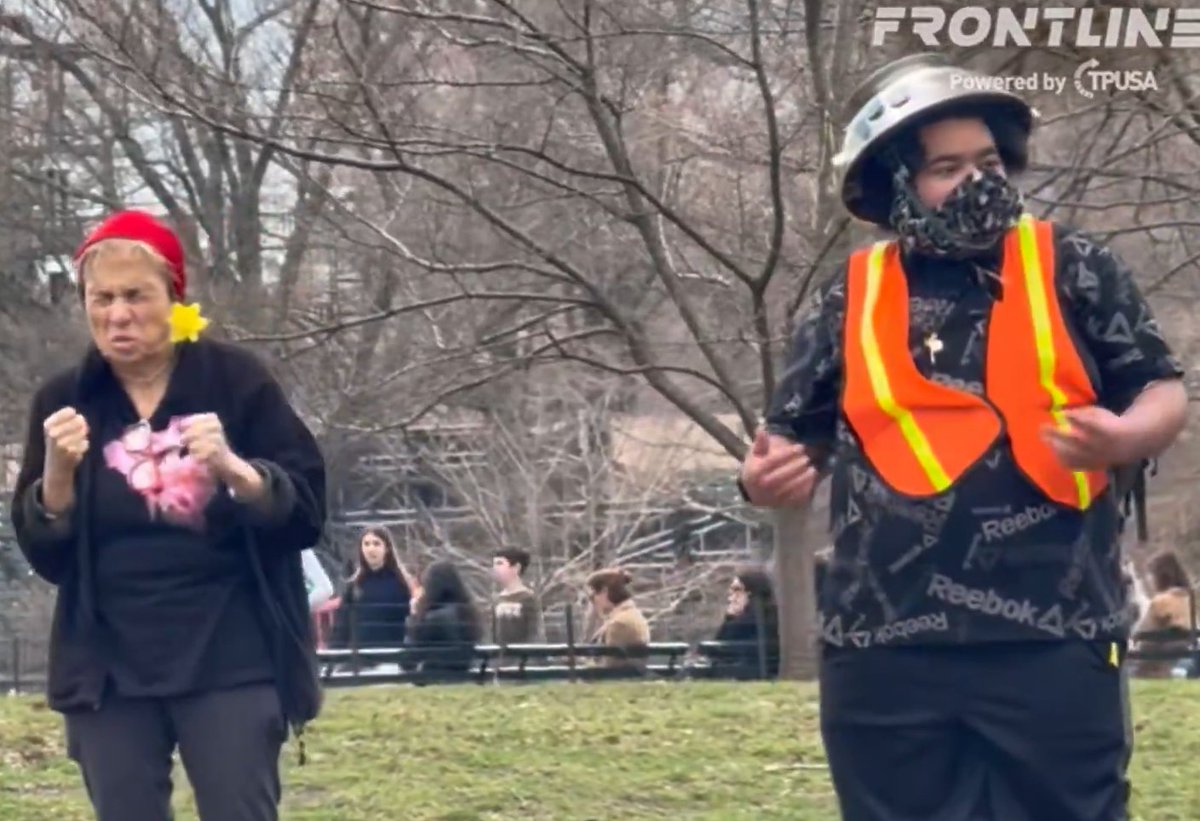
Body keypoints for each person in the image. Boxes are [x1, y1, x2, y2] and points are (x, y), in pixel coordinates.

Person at [739, 53, 1187, 821]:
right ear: (895, 185)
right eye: (947, 168)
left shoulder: (1074, 265)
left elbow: (1161, 387)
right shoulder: (850, 294)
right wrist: (765, 478)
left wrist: (1124, 435)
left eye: (988, 162)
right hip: (882, 643)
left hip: (1054, 632)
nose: (977, 182)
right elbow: (791, 438)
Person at [10, 210, 327, 821]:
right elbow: (47, 558)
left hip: (233, 651)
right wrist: (57, 476)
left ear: (174, 298)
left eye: (136, 296)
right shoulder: (65, 401)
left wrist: (237, 471)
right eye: (102, 298)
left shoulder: (237, 382)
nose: (118, 314)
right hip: (108, 663)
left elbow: (306, 516)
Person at [330, 527, 419, 652]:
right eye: (366, 544)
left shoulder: (401, 583)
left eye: (376, 544)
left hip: (392, 653)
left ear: (387, 549)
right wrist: (333, 654)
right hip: (361, 655)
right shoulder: (354, 584)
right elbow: (342, 625)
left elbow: (410, 621)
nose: (371, 549)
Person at [405, 560, 482, 681]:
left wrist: (414, 615)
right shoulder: (468, 613)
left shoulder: (434, 619)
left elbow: (408, 658)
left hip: (435, 676)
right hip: (464, 675)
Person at [1131, 549, 1194, 678]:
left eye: (1150, 575)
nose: (1149, 580)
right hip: (1180, 652)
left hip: (1153, 659)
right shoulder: (1187, 598)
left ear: (1160, 576)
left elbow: (1142, 631)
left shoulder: (1161, 601)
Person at [709, 566, 780, 679]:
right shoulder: (777, 616)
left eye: (737, 590)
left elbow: (718, 651)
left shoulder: (750, 624)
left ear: (751, 593)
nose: (731, 598)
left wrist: (730, 619)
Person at [586, 568, 650, 669]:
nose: (594, 600)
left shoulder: (619, 624)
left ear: (605, 591)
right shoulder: (629, 615)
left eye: (595, 593)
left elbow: (611, 667)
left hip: (621, 677)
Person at [491, 547, 544, 646]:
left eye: (500, 563)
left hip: (522, 652)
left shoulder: (528, 598)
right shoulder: (497, 600)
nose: (495, 568)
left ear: (516, 567)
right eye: (494, 564)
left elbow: (535, 634)